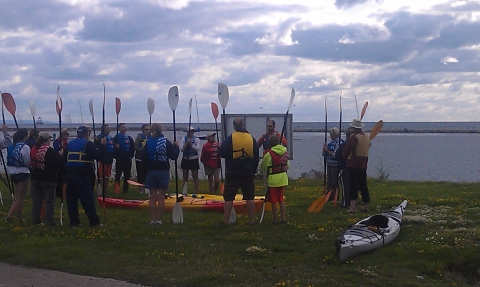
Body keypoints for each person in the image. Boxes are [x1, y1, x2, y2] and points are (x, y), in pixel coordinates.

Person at [219, 118, 259, 225]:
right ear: (244, 125)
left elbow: (222, 153)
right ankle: (251, 221)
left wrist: (220, 147)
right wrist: (253, 170)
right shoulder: (251, 139)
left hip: (232, 173)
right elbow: (256, 157)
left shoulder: (230, 138)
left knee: (228, 198)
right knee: (250, 198)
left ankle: (226, 222)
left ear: (234, 126)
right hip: (248, 173)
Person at [64, 126, 103, 227]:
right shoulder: (88, 144)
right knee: (87, 199)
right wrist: (100, 145)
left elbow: (64, 159)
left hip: (69, 174)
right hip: (82, 174)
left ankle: (74, 222)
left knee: (72, 200)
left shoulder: (69, 144)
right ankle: (94, 222)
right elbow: (98, 156)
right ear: (87, 134)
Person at [141, 123, 179, 225]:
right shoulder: (165, 142)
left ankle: (152, 220)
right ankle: (159, 220)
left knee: (152, 197)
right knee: (161, 196)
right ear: (161, 131)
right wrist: (177, 147)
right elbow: (174, 156)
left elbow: (143, 159)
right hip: (163, 171)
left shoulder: (148, 142)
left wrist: (144, 174)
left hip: (151, 171)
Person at [30, 132, 62, 226]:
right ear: (48, 139)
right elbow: (57, 164)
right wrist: (60, 156)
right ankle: (49, 221)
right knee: (49, 201)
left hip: (35, 177)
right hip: (48, 178)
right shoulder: (50, 150)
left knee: (36, 201)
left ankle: (35, 220)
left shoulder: (33, 148)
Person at [342, 119, 371, 213]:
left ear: (354, 127)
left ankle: (352, 208)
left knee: (353, 186)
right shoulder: (367, 137)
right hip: (363, 164)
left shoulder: (353, 137)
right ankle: (365, 206)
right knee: (363, 186)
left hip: (354, 163)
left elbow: (347, 149)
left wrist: (345, 157)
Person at [261, 135, 289, 224]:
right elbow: (287, 166)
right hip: (283, 178)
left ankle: (275, 219)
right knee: (280, 199)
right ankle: (283, 218)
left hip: (273, 180)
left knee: (273, 200)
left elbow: (263, 166)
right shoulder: (285, 152)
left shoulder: (269, 154)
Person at [5, 128, 30, 222]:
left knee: (19, 196)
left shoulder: (11, 146)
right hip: (23, 172)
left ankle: (19, 217)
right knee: (20, 197)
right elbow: (27, 161)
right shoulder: (25, 147)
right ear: (25, 136)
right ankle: (10, 216)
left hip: (13, 173)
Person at [113, 123, 135, 193]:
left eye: (125, 127)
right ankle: (117, 189)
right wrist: (117, 156)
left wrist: (131, 156)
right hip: (120, 159)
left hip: (127, 159)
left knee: (127, 175)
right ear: (119, 129)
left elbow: (132, 147)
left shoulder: (129, 138)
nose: (124, 128)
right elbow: (113, 149)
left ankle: (125, 189)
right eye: (123, 127)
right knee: (118, 175)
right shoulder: (116, 138)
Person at [335, 127, 354, 208]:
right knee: (351, 186)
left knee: (345, 186)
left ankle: (345, 203)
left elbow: (337, 155)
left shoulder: (344, 145)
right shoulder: (355, 145)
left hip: (344, 167)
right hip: (353, 168)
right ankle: (352, 202)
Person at [322, 127, 342, 201]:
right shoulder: (330, 142)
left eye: (331, 134)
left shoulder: (339, 142)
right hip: (329, 164)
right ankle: (329, 196)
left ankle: (335, 196)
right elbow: (324, 154)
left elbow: (335, 155)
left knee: (334, 181)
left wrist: (327, 150)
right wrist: (324, 149)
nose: (330, 136)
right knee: (329, 182)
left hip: (335, 165)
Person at [180, 126, 200, 195]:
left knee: (195, 176)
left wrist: (191, 145)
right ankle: (184, 191)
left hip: (194, 159)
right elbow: (181, 149)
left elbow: (197, 149)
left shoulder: (196, 139)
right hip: (185, 159)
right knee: (185, 176)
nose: (191, 133)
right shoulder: (183, 139)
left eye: (192, 132)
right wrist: (186, 144)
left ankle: (196, 192)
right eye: (189, 132)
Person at [95, 124, 114, 195]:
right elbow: (96, 148)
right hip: (103, 159)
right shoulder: (99, 137)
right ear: (103, 130)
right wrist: (100, 143)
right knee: (100, 176)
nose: (109, 130)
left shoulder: (110, 137)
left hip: (109, 159)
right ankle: (99, 190)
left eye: (109, 129)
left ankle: (105, 191)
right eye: (107, 129)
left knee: (107, 176)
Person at [53, 128, 69, 204]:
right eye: (66, 134)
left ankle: (64, 193)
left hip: (65, 162)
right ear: (62, 135)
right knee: (60, 178)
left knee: (64, 178)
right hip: (60, 162)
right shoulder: (58, 142)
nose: (68, 136)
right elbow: (56, 152)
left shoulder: (65, 142)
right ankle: (60, 193)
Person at [134, 124, 150, 193]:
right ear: (143, 130)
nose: (148, 131)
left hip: (148, 159)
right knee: (140, 174)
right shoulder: (139, 137)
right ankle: (141, 189)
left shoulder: (151, 137)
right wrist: (142, 150)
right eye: (146, 129)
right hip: (139, 158)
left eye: (149, 129)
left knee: (148, 174)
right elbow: (135, 146)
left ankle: (147, 188)